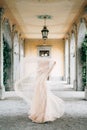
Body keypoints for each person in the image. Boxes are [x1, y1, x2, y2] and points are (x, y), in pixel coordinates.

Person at [15, 57, 64, 123]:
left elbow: (36, 80)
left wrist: (52, 64)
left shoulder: (39, 71)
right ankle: (42, 116)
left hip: (39, 86)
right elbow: (50, 68)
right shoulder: (46, 72)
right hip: (42, 86)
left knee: (40, 100)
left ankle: (40, 115)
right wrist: (53, 64)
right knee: (43, 101)